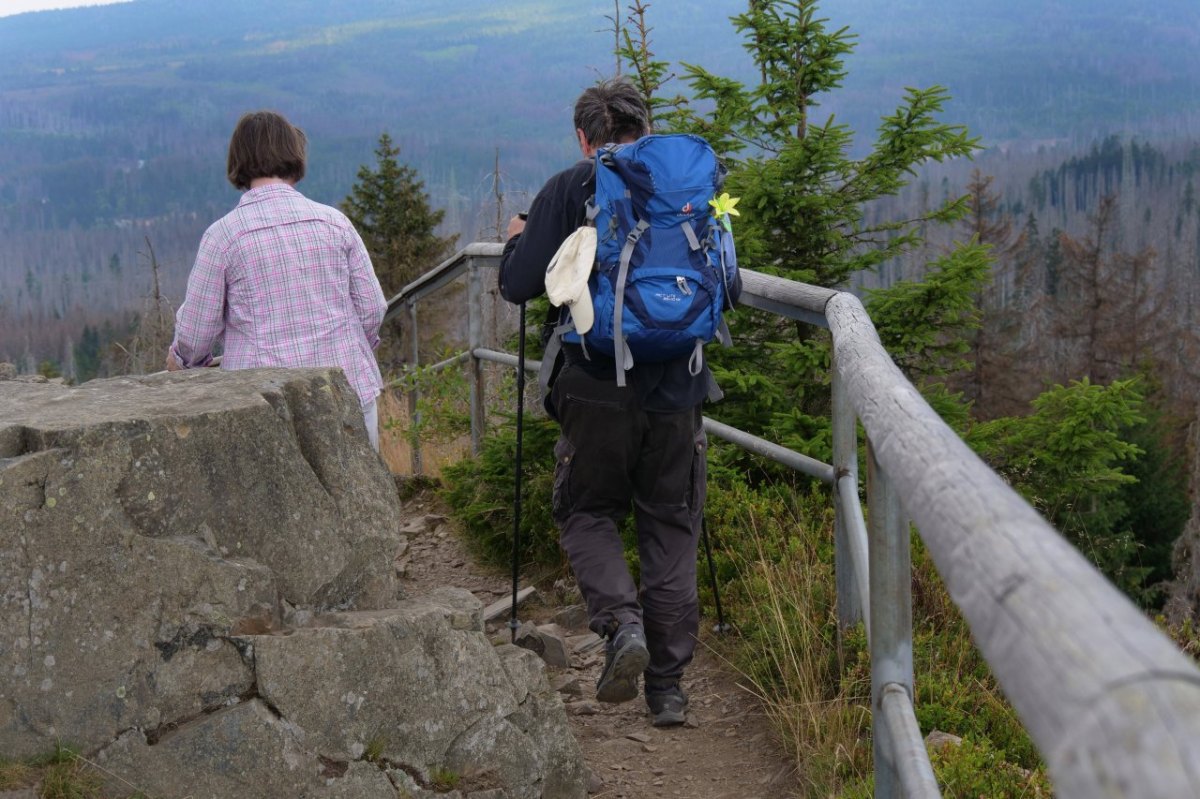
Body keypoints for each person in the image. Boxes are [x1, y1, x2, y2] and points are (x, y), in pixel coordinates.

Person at [498, 78, 740, 727]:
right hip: (678, 383)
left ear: (584, 138)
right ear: (648, 128)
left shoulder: (571, 187)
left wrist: (521, 237)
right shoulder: (693, 192)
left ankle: (621, 625)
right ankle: (667, 688)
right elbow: (730, 282)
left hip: (593, 384)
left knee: (585, 510)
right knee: (670, 522)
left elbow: (518, 286)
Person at [166, 110, 387, 450]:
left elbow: (197, 331)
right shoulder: (335, 223)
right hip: (348, 389)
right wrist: (357, 346)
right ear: (294, 153)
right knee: (362, 496)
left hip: (264, 403)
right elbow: (372, 307)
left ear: (238, 159)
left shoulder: (224, 236)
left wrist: (183, 361)